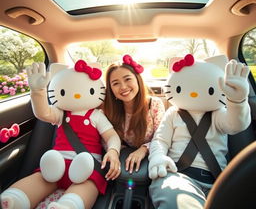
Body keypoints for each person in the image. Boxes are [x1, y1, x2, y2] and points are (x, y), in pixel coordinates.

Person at [1, 60, 121, 209]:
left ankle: (68, 205)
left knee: (86, 187)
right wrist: (38, 91)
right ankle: (15, 199)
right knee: (40, 179)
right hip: (56, 165)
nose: (77, 95)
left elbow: (111, 136)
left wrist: (113, 151)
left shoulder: (96, 115)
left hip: (86, 168)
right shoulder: (61, 113)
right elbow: (43, 113)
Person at [148, 54, 251, 209]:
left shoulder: (219, 113)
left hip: (218, 181)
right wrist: (158, 156)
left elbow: (236, 124)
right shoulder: (173, 114)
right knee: (176, 200)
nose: (194, 94)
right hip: (177, 175)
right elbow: (160, 140)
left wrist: (237, 102)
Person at [103, 54, 166, 174]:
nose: (123, 87)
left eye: (127, 79)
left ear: (137, 79)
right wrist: (115, 152)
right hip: (122, 162)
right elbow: (105, 140)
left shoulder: (154, 105)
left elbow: (162, 138)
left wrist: (143, 149)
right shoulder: (108, 110)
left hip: (152, 161)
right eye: (115, 83)